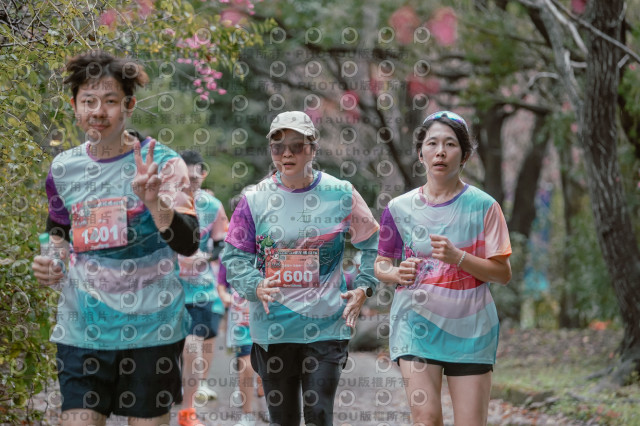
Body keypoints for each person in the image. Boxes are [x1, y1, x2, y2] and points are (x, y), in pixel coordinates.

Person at [31, 50, 199, 426]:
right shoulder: (64, 169)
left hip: (153, 331)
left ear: (129, 105)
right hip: (82, 330)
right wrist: (52, 262)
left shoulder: (163, 163)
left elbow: (189, 243)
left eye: (110, 101)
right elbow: (58, 231)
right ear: (74, 106)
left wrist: (153, 202)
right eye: (88, 101)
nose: (98, 111)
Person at [221, 111, 380, 426]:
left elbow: (374, 245)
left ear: (313, 148)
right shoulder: (254, 199)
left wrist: (365, 286)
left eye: (296, 145)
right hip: (273, 328)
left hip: (326, 326)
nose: (286, 154)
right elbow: (234, 258)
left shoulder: (341, 193)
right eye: (278, 147)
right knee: (283, 419)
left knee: (319, 412)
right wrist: (255, 285)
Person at [374, 111, 512, 426]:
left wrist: (458, 257)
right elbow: (381, 264)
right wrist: (395, 273)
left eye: (450, 144)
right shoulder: (399, 208)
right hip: (415, 326)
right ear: (420, 153)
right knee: (426, 419)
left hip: (471, 330)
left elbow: (503, 274)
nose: (440, 152)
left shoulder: (485, 207)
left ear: (464, 155)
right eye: (432, 143)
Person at [176, 150, 229, 426]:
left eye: (195, 179)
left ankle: (188, 410)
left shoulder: (213, 206)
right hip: (168, 290)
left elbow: (221, 242)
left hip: (201, 290)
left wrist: (205, 258)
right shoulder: (165, 203)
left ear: (203, 174)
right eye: (184, 179)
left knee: (194, 345)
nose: (190, 184)